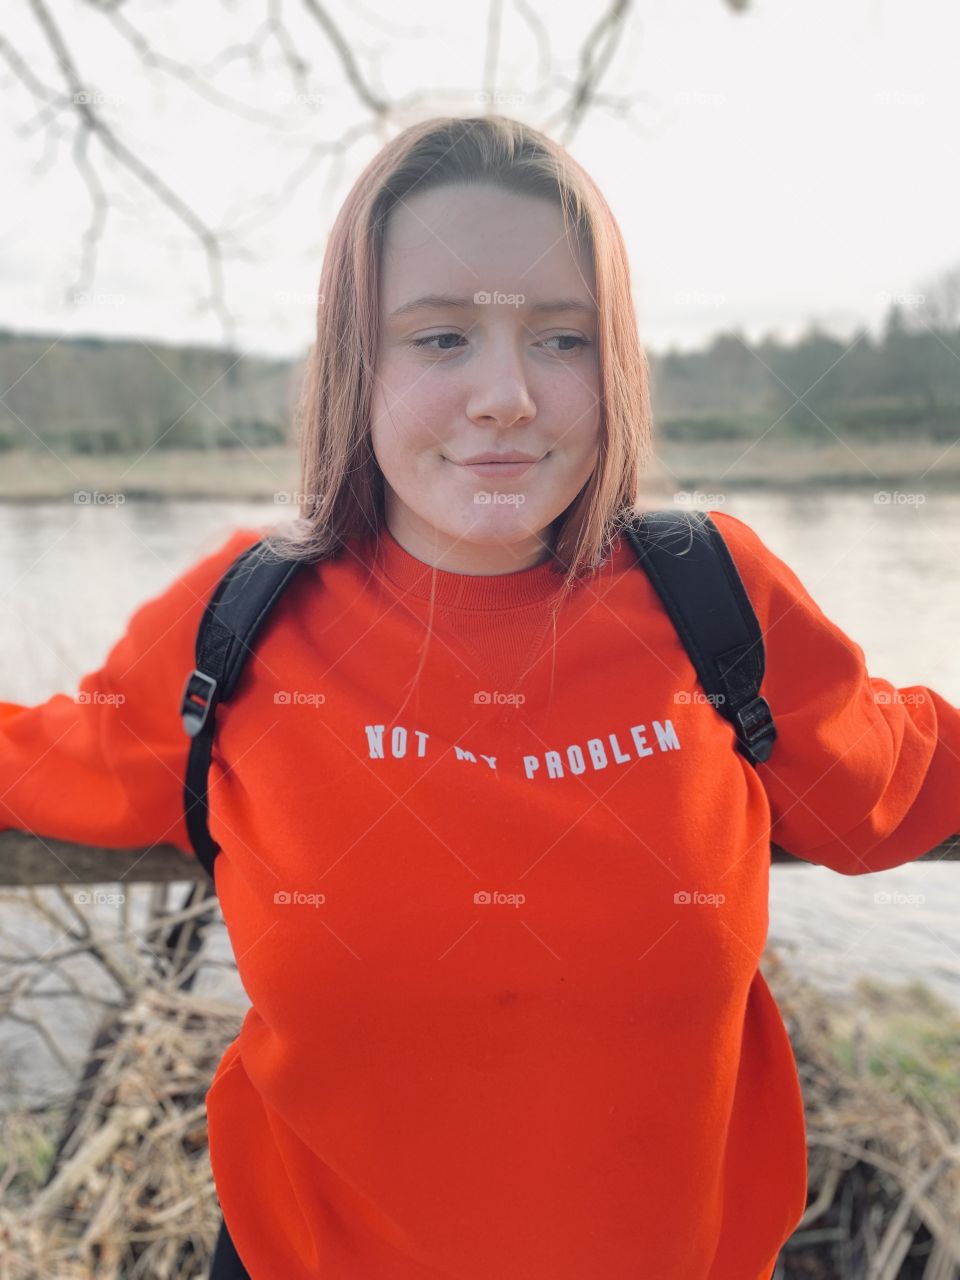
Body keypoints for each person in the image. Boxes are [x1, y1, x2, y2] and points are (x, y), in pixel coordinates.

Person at [2, 114, 959, 1280]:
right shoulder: (238, 624)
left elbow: (894, 768)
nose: (507, 395)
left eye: (562, 338)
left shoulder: (719, 599)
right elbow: (54, 756)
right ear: (359, 362)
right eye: (442, 337)